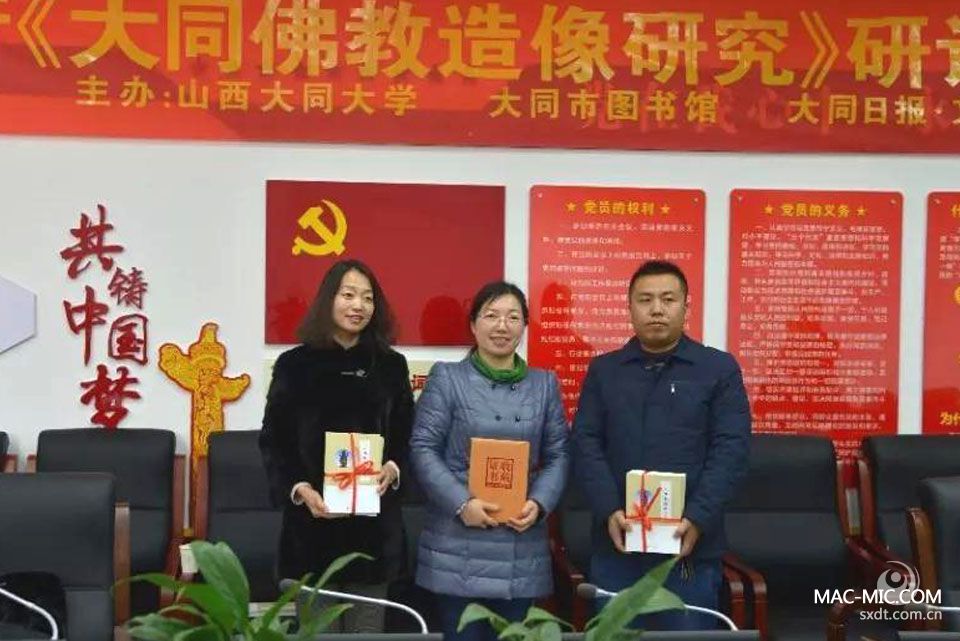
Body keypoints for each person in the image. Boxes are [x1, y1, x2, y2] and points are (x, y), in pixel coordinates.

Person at [571, 260, 750, 630]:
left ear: (686, 306)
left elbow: (731, 450)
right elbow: (586, 443)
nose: (656, 309)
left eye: (668, 299)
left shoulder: (718, 369)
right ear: (629, 307)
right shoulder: (605, 371)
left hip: (689, 549)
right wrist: (608, 510)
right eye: (645, 299)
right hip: (617, 545)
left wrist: (698, 518)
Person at [259, 259, 414, 633]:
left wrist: (393, 468)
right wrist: (300, 489)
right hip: (312, 529)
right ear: (328, 299)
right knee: (318, 633)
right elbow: (274, 438)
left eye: (367, 298)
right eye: (348, 295)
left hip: (373, 535)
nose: (358, 305)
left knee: (367, 633)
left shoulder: (391, 365)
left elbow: (407, 434)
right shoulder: (294, 365)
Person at [410, 282, 569, 641]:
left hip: (520, 546)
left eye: (513, 317)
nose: (502, 326)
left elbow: (559, 453)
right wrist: (461, 503)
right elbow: (422, 448)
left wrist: (539, 503)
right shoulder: (447, 378)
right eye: (491, 315)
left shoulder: (544, 385)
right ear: (473, 324)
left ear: (524, 325)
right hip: (457, 546)